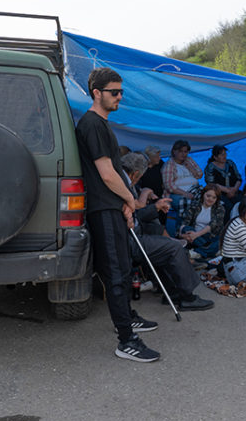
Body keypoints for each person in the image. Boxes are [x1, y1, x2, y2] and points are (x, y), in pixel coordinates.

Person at [75, 67, 160, 363]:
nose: (119, 96)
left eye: (121, 91)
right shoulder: (92, 124)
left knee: (123, 269)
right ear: (97, 93)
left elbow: (117, 176)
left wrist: (126, 203)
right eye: (114, 92)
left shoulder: (102, 124)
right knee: (115, 273)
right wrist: (131, 200)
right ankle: (126, 340)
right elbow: (107, 175)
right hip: (103, 208)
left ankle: (129, 317)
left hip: (113, 206)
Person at [121, 152, 214, 311]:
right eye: (139, 177)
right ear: (136, 174)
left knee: (165, 242)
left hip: (135, 234)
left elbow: (138, 215)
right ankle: (187, 297)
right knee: (174, 247)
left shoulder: (123, 182)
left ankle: (172, 293)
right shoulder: (122, 185)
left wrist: (155, 207)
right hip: (129, 239)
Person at [162, 139, 203, 233]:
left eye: (185, 151)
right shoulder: (169, 165)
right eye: (180, 151)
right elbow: (169, 186)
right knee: (186, 204)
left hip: (194, 189)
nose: (183, 154)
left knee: (208, 199)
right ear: (174, 151)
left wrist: (190, 167)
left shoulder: (189, 160)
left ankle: (200, 229)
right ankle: (181, 231)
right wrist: (185, 194)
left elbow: (200, 174)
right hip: (177, 193)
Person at [179, 184, 225, 259]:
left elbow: (212, 225)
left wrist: (196, 235)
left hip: (210, 237)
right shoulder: (194, 205)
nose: (210, 199)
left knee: (222, 240)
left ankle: (198, 252)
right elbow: (184, 223)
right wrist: (182, 235)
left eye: (214, 197)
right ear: (203, 194)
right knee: (186, 229)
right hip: (195, 238)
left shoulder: (220, 209)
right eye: (208, 196)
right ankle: (209, 250)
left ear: (217, 199)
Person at [203, 144, 241, 218]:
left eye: (225, 154)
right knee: (227, 207)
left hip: (233, 190)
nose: (224, 156)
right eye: (221, 154)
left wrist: (234, 189)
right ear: (215, 157)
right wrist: (227, 191)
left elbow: (238, 178)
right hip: (218, 193)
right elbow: (211, 183)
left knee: (241, 203)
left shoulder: (230, 163)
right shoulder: (211, 167)